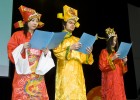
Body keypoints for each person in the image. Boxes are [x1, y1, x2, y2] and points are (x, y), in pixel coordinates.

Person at [7, 5, 55, 100]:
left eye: (37, 21)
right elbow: (11, 51)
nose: (35, 23)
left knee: (38, 95)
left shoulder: (40, 36)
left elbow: (44, 56)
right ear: (26, 21)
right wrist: (22, 47)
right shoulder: (17, 35)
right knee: (22, 95)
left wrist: (46, 52)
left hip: (37, 72)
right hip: (23, 71)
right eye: (32, 20)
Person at [53, 5, 94, 100]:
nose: (72, 25)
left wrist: (88, 53)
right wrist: (70, 48)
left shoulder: (78, 40)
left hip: (78, 74)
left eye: (74, 23)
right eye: (70, 22)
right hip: (65, 73)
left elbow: (84, 59)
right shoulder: (58, 38)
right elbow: (57, 53)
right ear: (64, 24)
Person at [99, 27, 128, 100]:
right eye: (113, 40)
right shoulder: (104, 52)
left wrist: (124, 62)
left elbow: (123, 71)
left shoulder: (117, 53)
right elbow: (102, 67)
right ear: (109, 41)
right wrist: (112, 59)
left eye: (115, 41)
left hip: (119, 84)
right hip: (109, 83)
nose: (114, 43)